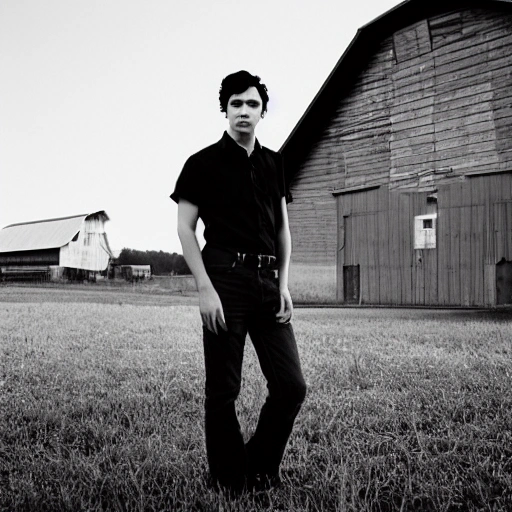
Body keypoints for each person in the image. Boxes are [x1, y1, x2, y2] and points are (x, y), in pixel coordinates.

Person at [170, 70, 306, 494]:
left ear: (263, 111)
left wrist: (283, 284)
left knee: (291, 385)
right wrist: (205, 289)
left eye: (251, 104)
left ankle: (260, 467)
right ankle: (229, 480)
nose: (243, 112)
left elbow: (283, 229)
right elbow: (184, 229)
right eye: (235, 104)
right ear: (224, 110)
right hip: (224, 281)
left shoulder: (274, 163)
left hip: (268, 284)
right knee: (224, 390)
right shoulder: (202, 164)